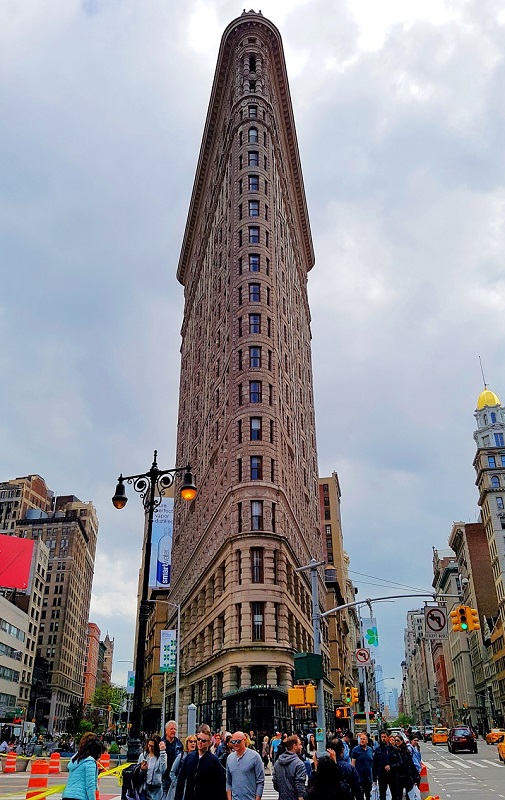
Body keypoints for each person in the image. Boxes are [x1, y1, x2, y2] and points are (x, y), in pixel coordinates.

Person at [174, 723, 225, 800]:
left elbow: (219, 786)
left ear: (209, 743)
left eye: (203, 741)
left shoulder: (214, 761)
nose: (200, 742)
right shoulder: (189, 757)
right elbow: (181, 780)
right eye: (198, 739)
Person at [62, 734, 104, 800]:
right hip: (80, 797)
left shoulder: (76, 759)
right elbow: (90, 786)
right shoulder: (90, 762)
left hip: (67, 795)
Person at [226, 731, 264, 800]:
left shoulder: (255, 756)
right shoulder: (230, 758)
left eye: (238, 741)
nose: (236, 744)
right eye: (233, 742)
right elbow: (229, 781)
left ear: (244, 740)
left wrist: (257, 798)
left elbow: (260, 781)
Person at [272, 735, 307, 800]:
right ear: (294, 746)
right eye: (299, 744)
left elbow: (275, 783)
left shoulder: (278, 763)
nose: (301, 747)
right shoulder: (299, 764)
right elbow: (300, 785)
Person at [372, 730, 401, 800]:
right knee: (382, 794)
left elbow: (400, 763)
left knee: (394, 794)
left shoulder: (394, 749)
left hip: (393, 775)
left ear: (388, 737)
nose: (383, 739)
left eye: (384, 737)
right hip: (382, 775)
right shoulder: (378, 750)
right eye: (381, 737)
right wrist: (374, 779)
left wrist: (391, 766)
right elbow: (375, 764)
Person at [166, 735, 197, 800]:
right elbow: (172, 772)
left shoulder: (197, 757)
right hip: (180, 788)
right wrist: (177, 784)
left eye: (195, 741)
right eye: (191, 741)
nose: (193, 743)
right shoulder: (181, 756)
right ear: (187, 743)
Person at [138, 735, 167, 800]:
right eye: (149, 745)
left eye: (152, 746)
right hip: (145, 787)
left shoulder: (161, 756)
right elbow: (137, 772)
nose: (150, 748)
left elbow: (163, 770)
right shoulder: (143, 756)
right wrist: (141, 769)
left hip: (157, 788)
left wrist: (162, 752)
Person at [162, 721, 183, 798]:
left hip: (174, 778)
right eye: (171, 729)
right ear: (166, 730)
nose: (173, 731)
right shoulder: (161, 743)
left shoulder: (179, 744)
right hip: (163, 777)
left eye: (175, 729)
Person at [351, 733, 374, 800]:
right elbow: (353, 763)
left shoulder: (370, 749)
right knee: (360, 796)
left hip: (368, 777)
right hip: (359, 777)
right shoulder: (355, 750)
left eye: (364, 739)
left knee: (368, 795)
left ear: (367, 741)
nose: (362, 740)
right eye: (361, 739)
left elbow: (372, 762)